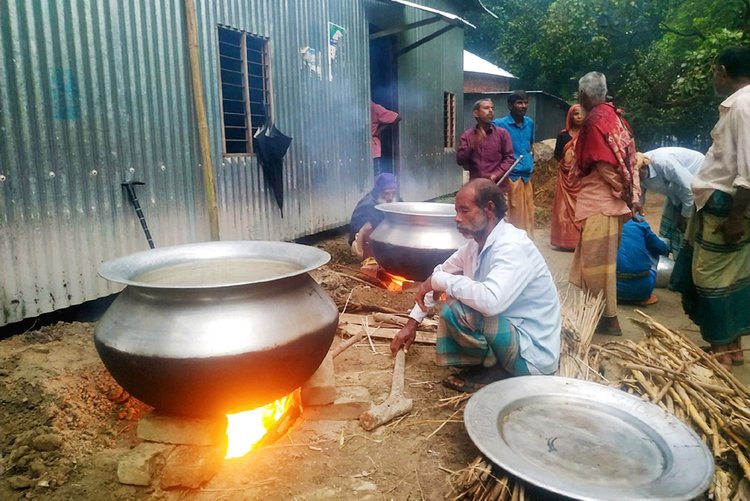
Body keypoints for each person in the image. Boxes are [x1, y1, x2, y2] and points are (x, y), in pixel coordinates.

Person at [390, 179, 561, 392]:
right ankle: (489, 368)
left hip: (532, 356)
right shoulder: (473, 247)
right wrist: (411, 323)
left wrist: (441, 282)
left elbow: (490, 302)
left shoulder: (513, 246)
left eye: (464, 210)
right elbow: (440, 274)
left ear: (488, 209)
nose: (457, 218)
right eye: (456, 211)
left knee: (457, 307)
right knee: (456, 298)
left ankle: (496, 374)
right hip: (510, 334)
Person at [672, 46, 750, 371]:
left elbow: (747, 170)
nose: (714, 78)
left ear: (722, 71)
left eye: (714, 72)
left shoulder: (743, 106)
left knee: (710, 281)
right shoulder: (739, 105)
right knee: (731, 278)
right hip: (722, 204)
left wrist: (735, 216)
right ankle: (731, 348)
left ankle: (722, 357)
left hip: (730, 207)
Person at [568, 72, 641, 336]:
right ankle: (599, 316)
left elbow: (604, 164)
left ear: (584, 95)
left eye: (579, 94)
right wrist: (629, 195)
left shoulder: (595, 120)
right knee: (600, 263)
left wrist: (621, 191)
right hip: (609, 203)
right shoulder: (614, 116)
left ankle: (607, 319)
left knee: (596, 267)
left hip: (602, 202)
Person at [636, 147, 705, 258]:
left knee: (684, 229)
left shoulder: (664, 163)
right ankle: (670, 255)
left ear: (643, 168)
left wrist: (685, 216)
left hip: (696, 182)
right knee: (668, 227)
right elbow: (639, 196)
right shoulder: (636, 173)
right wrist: (635, 218)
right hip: (675, 191)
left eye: (636, 176)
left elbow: (689, 188)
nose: (634, 179)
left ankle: (683, 259)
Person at [494, 91, 535, 237]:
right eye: (519, 103)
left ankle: (525, 245)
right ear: (510, 106)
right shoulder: (499, 124)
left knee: (528, 216)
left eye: (525, 102)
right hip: (510, 178)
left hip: (526, 179)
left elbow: (530, 147)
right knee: (512, 218)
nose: (523, 106)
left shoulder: (529, 123)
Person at [550, 104, 585, 250]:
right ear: (570, 116)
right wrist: (568, 165)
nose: (579, 117)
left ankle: (579, 240)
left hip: (581, 177)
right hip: (565, 177)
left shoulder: (588, 134)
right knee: (563, 208)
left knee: (581, 207)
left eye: (581, 114)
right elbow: (558, 154)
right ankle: (564, 241)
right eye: (575, 114)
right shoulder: (563, 135)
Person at [456, 99, 515, 184]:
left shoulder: (502, 134)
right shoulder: (467, 136)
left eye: (492, 108)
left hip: (498, 186)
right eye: (486, 108)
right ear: (476, 113)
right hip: (476, 187)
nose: (491, 111)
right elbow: (460, 160)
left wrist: (496, 174)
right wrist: (473, 144)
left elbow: (509, 158)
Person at [349, 173, 399, 265]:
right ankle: (371, 261)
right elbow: (379, 226)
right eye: (387, 193)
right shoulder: (368, 204)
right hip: (360, 241)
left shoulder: (394, 198)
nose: (391, 197)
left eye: (393, 192)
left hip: (384, 236)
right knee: (371, 229)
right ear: (379, 191)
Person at [616, 218, 669, 305]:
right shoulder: (638, 222)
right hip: (642, 290)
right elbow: (662, 249)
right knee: (652, 250)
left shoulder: (604, 221)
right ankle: (641, 292)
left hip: (609, 290)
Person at [371, 102, 400, 176]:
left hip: (372, 148)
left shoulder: (374, 108)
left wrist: (379, 130)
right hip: (359, 149)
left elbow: (397, 117)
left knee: (375, 176)